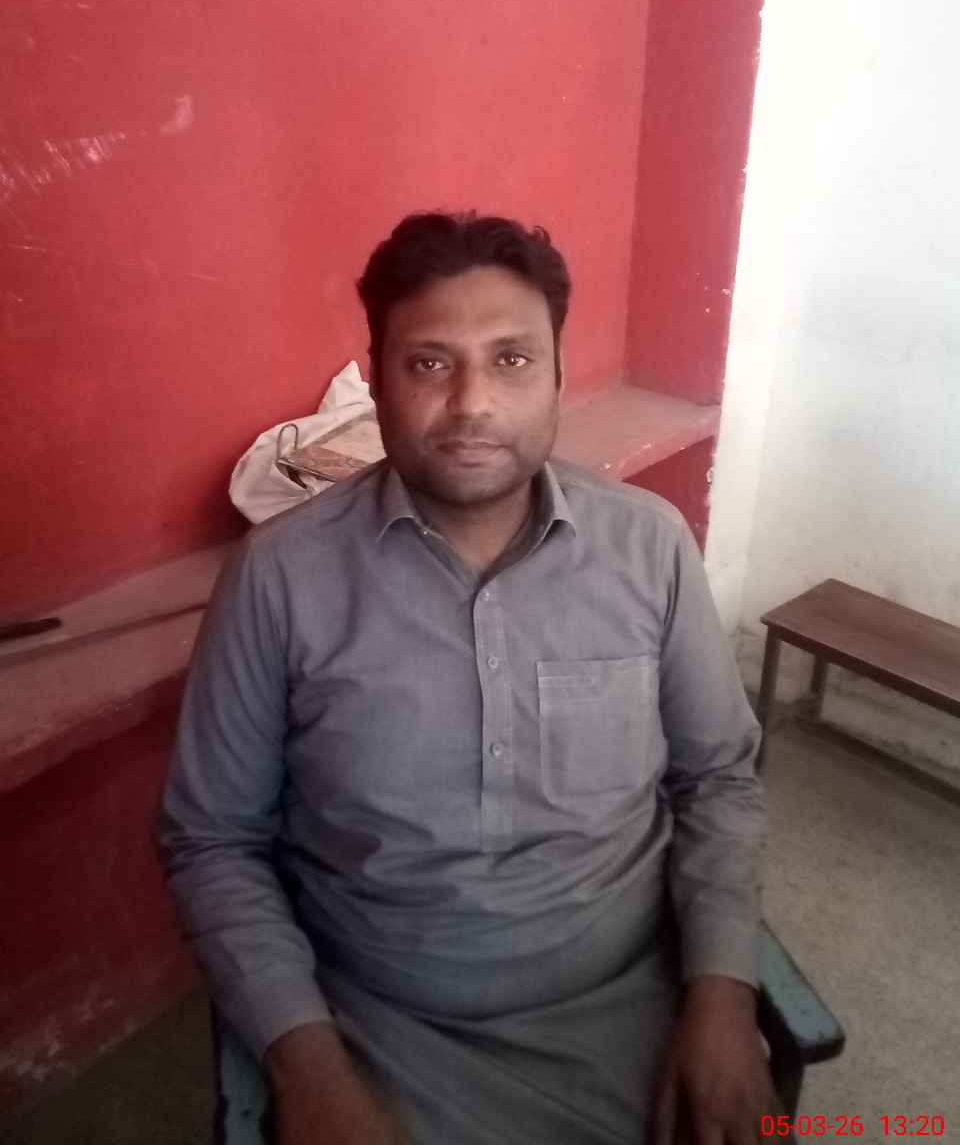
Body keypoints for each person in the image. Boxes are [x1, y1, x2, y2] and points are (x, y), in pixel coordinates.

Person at [157, 211, 775, 1144]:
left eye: (512, 360)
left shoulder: (648, 547)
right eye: (429, 363)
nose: (472, 403)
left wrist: (724, 999)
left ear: (558, 375)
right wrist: (309, 1069)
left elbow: (718, 777)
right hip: (378, 1030)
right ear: (379, 383)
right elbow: (213, 840)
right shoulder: (280, 578)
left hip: (638, 1004)